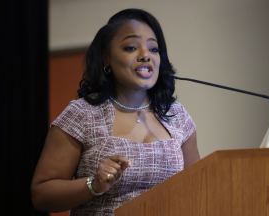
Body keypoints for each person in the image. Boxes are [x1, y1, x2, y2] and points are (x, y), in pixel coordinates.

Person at [31, 8, 200, 215]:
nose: (145, 55)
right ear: (106, 58)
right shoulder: (82, 113)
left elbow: (198, 188)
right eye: (130, 47)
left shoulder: (177, 115)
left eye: (154, 49)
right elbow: (42, 195)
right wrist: (95, 184)